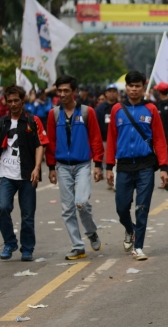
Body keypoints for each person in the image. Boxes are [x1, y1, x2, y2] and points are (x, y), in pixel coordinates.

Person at [106, 71, 168, 261]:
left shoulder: (151, 109)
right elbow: (111, 139)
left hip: (146, 165)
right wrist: (108, 166)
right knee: (121, 207)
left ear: (143, 88)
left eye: (137, 86)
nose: (134, 89)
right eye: (130, 86)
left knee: (142, 207)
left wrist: (164, 167)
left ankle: (139, 247)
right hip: (124, 165)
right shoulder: (117, 109)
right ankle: (129, 229)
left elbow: (159, 139)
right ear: (126, 88)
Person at [0, 84, 49, 261]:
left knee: (27, 215)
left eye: (16, 100)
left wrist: (37, 168)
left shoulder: (32, 121)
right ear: (6, 102)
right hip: (7, 174)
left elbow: (39, 145)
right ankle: (10, 243)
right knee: (3, 208)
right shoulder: (1, 122)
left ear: (23, 101)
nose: (13, 104)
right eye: (10, 101)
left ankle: (27, 248)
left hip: (28, 174)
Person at [45, 75, 104, 260]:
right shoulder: (54, 114)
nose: (62, 94)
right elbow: (51, 142)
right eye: (59, 90)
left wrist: (98, 165)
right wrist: (51, 167)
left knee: (82, 202)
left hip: (83, 165)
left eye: (66, 90)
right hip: (62, 166)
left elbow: (95, 138)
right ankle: (78, 246)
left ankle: (91, 232)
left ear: (74, 92)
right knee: (67, 209)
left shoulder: (87, 112)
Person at [95, 84, 119, 190]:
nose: (112, 93)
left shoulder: (121, 107)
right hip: (104, 140)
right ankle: (110, 179)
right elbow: (96, 125)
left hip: (118, 140)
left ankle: (116, 182)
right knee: (107, 161)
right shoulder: (100, 109)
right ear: (106, 93)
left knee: (117, 161)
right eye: (110, 91)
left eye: (114, 91)